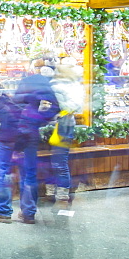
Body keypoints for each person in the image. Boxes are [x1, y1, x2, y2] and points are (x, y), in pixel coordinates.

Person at [0, 63, 59, 224]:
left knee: (3, 173)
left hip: (7, 134)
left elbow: (2, 112)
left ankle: (4, 212)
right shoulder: (41, 83)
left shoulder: (17, 84)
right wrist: (38, 120)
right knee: (29, 174)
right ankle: (28, 213)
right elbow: (55, 107)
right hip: (28, 134)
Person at [48, 64, 85, 209]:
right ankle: (58, 191)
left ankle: (62, 192)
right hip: (65, 124)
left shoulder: (57, 87)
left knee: (59, 160)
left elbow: (59, 107)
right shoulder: (74, 86)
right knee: (58, 160)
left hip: (61, 125)